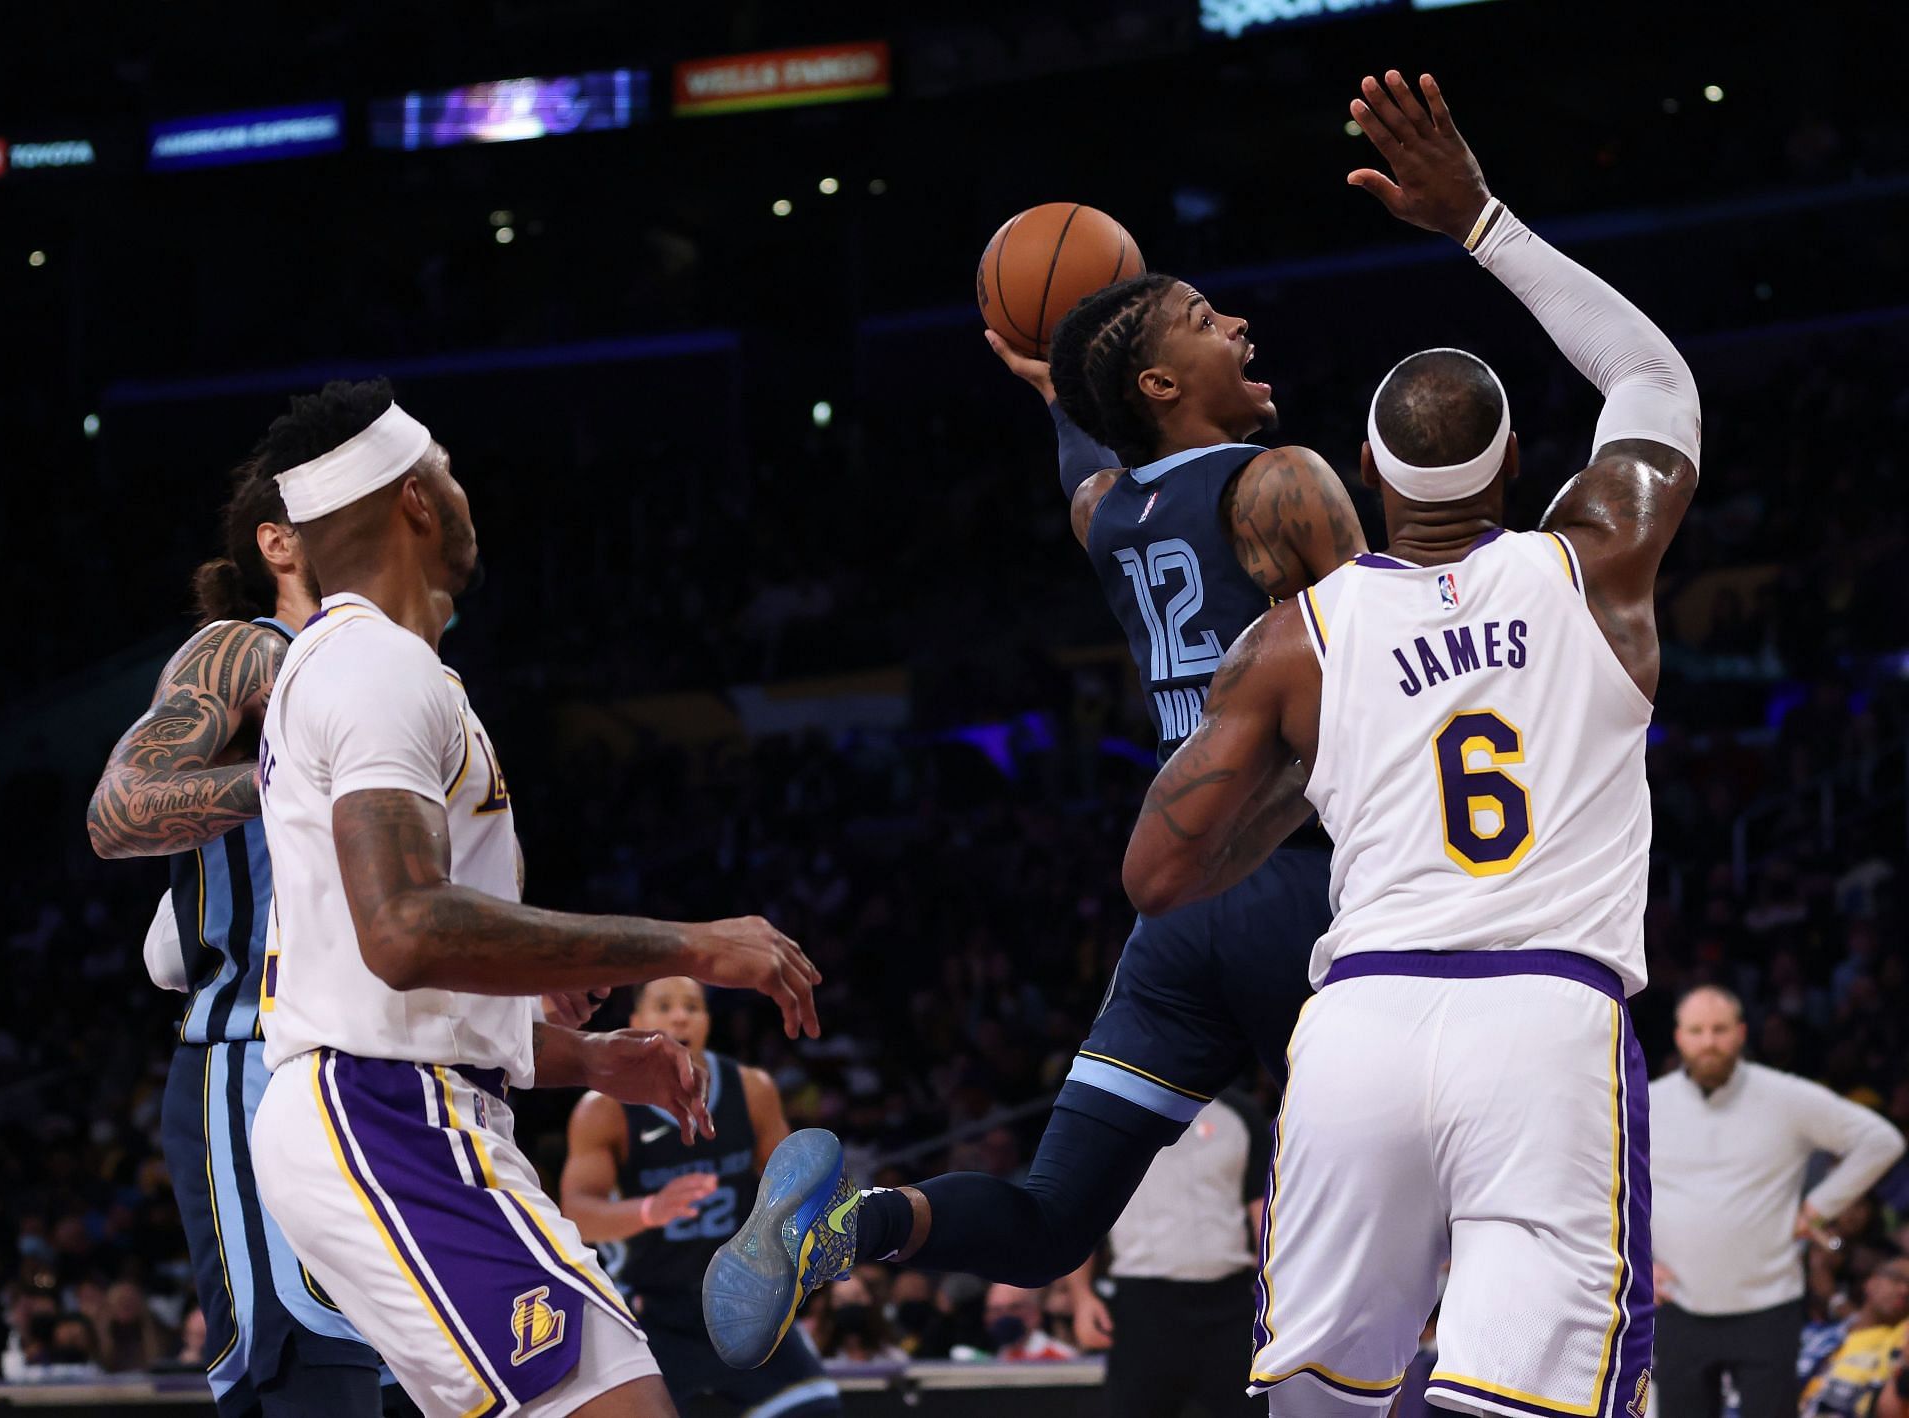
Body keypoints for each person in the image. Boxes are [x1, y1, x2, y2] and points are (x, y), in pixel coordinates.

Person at [704, 125, 1368, 1377]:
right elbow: (1381, 687)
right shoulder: (1283, 482)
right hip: (1306, 876)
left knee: (1056, 1218)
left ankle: (853, 1224)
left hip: (1184, 912)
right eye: (1207, 320)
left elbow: (1087, 455)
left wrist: (1062, 385)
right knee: (1425, 1174)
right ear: (1161, 388)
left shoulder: (1110, 515)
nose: (1239, 326)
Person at [1116, 70, 1704, 1415]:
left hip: (1361, 1023)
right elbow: (1650, 374)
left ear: (1373, 480)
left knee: (1322, 1396)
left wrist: (1308, 775)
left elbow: (1157, 871)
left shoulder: (1295, 638)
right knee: (1526, 1399)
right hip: (1542, 1018)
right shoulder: (1599, 559)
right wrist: (1481, 220)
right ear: (1511, 471)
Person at [241, 378, 822, 1418]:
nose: (467, 494)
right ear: (416, 498)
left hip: (408, 1107)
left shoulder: (379, 667)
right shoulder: (374, 661)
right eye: (451, 473)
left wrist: (595, 1058)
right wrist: (689, 944)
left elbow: (405, 982)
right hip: (389, 1119)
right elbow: (407, 931)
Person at [86, 465, 411, 1416]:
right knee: (310, 1381)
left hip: (379, 1077)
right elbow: (118, 810)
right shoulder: (244, 651)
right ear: (279, 542)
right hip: (259, 1064)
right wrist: (287, 774)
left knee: (399, 1387)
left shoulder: (394, 676)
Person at [562, 978, 841, 1416]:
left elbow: (796, 1191)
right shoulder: (604, 1109)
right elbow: (577, 1214)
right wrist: (651, 1209)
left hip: (745, 1302)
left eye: (692, 1006)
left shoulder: (752, 1090)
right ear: (635, 1023)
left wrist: (828, 1250)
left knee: (818, 1409)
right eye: (665, 1005)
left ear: (708, 1021)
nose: (680, 1016)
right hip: (652, 1311)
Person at [1653, 985, 1906, 1418]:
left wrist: (1819, 1207)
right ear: (1679, 1037)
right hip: (1678, 1303)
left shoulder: (1787, 1096)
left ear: (1740, 1033)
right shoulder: (1648, 1100)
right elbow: (1610, 1183)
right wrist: (1638, 1258)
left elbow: (1881, 1140)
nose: (1708, 1041)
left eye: (1719, 1029)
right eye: (1696, 1030)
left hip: (1768, 1304)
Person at [1062, 1086, 1271, 1417]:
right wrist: (1082, 1297)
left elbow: (1263, 1214)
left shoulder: (1240, 1113)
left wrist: (1279, 1293)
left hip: (1230, 1305)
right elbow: (1078, 1212)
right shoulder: (1107, 1113)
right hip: (1143, 1306)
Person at [1802, 1258, 1909, 1418]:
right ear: (1871, 1282)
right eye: (1897, 1279)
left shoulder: (1901, 1341)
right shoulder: (1815, 1335)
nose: (1904, 1290)